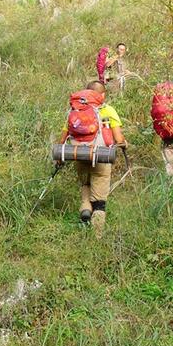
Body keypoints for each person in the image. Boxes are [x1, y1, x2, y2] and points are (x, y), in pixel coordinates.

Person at [58, 81, 126, 238]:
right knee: (99, 197)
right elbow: (118, 138)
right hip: (100, 156)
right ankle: (96, 236)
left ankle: (85, 210)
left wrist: (59, 157)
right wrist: (124, 143)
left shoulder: (75, 109)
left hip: (78, 155)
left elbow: (63, 137)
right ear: (102, 95)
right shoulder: (108, 110)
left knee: (85, 184)